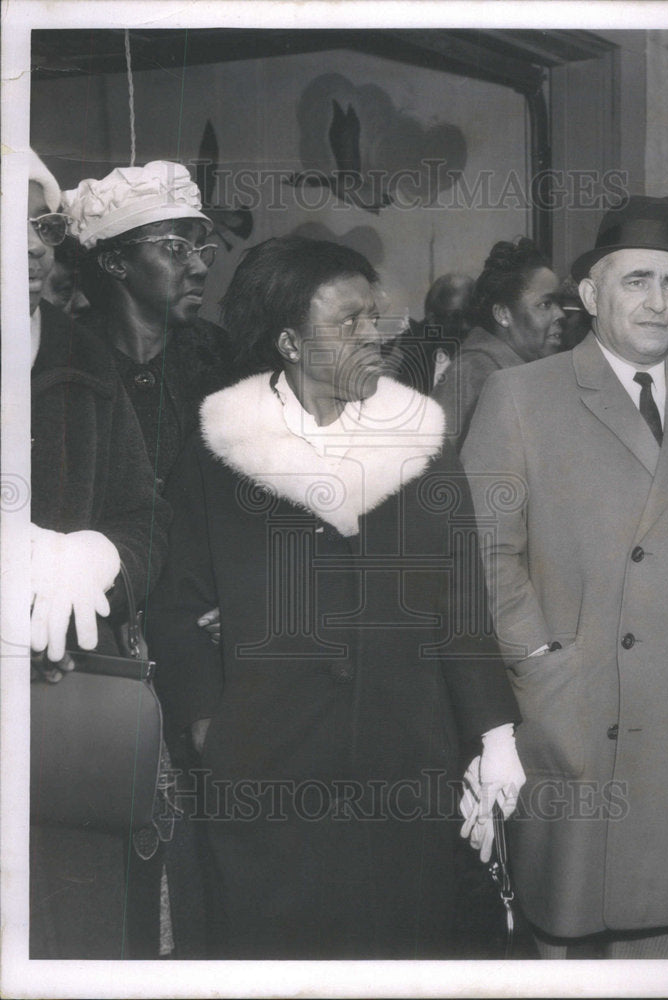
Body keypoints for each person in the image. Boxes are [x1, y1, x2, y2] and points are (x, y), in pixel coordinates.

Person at [145, 236, 525, 958]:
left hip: (405, 773)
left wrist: (494, 737)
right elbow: (173, 610)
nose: (373, 335)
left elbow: (460, 604)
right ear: (289, 340)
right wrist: (205, 726)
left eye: (374, 318)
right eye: (347, 322)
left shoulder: (420, 448)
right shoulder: (218, 454)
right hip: (266, 780)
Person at [461, 196, 668, 959]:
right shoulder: (521, 397)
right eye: (636, 282)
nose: (658, 302)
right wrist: (538, 666)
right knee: (560, 937)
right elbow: (484, 552)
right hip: (577, 705)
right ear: (590, 295)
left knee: (663, 941)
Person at [27, 150, 170, 958]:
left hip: (64, 726)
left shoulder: (83, 362)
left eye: (42, 225)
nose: (33, 246)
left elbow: (147, 520)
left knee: (70, 937)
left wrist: (99, 556)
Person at [61, 161, 234, 491]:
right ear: (116, 263)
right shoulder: (68, 359)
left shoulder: (223, 358)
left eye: (201, 249)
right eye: (176, 248)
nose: (199, 267)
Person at [433, 238, 564, 449]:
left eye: (558, 303)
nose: (560, 314)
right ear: (503, 314)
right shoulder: (475, 373)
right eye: (545, 304)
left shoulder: (524, 371)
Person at [394, 273, 474, 394]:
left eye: (471, 315)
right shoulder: (407, 356)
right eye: (455, 317)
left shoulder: (488, 353)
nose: (466, 325)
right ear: (432, 319)